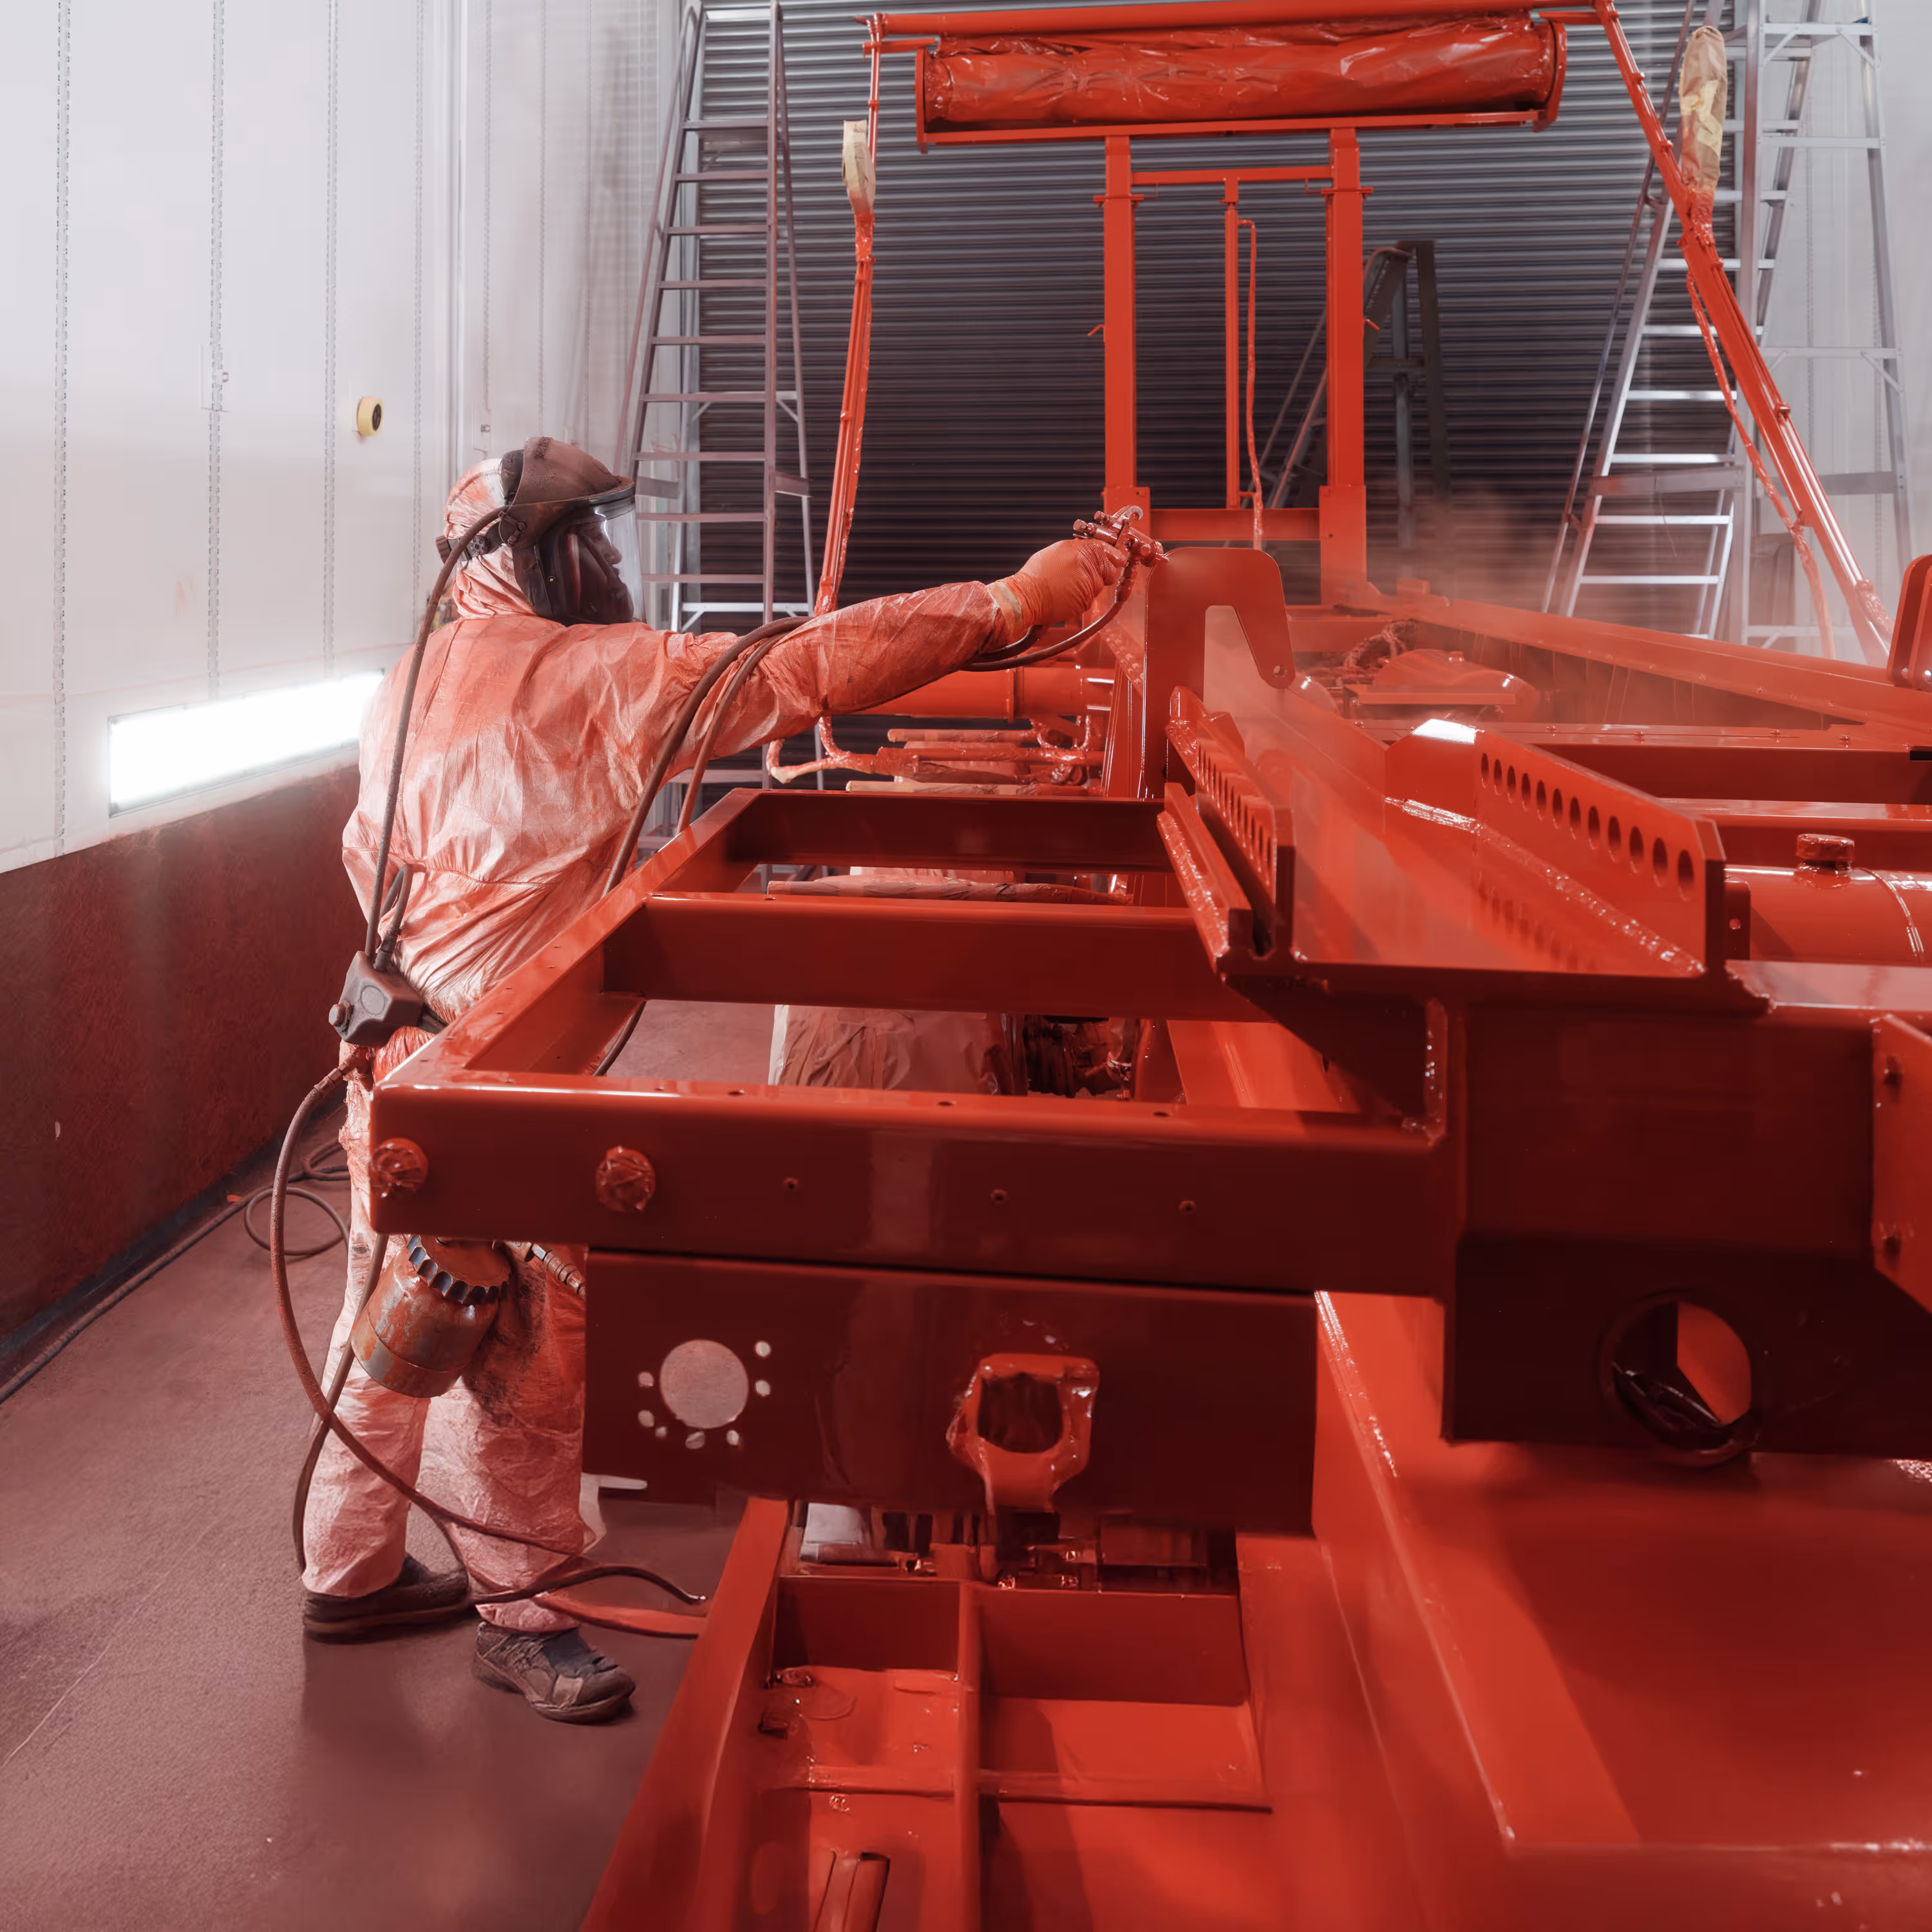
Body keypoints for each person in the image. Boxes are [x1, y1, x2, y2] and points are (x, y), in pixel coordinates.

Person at [299, 436, 1122, 1723]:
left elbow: (371, 859)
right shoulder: (600, 679)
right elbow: (806, 668)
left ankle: (343, 1574)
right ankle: (524, 1617)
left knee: (390, 1313)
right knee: (528, 1352)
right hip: (496, 1078)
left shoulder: (405, 682)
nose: (612, 560)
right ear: (528, 557)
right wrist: (1016, 602)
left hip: (385, 1051)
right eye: (591, 537)